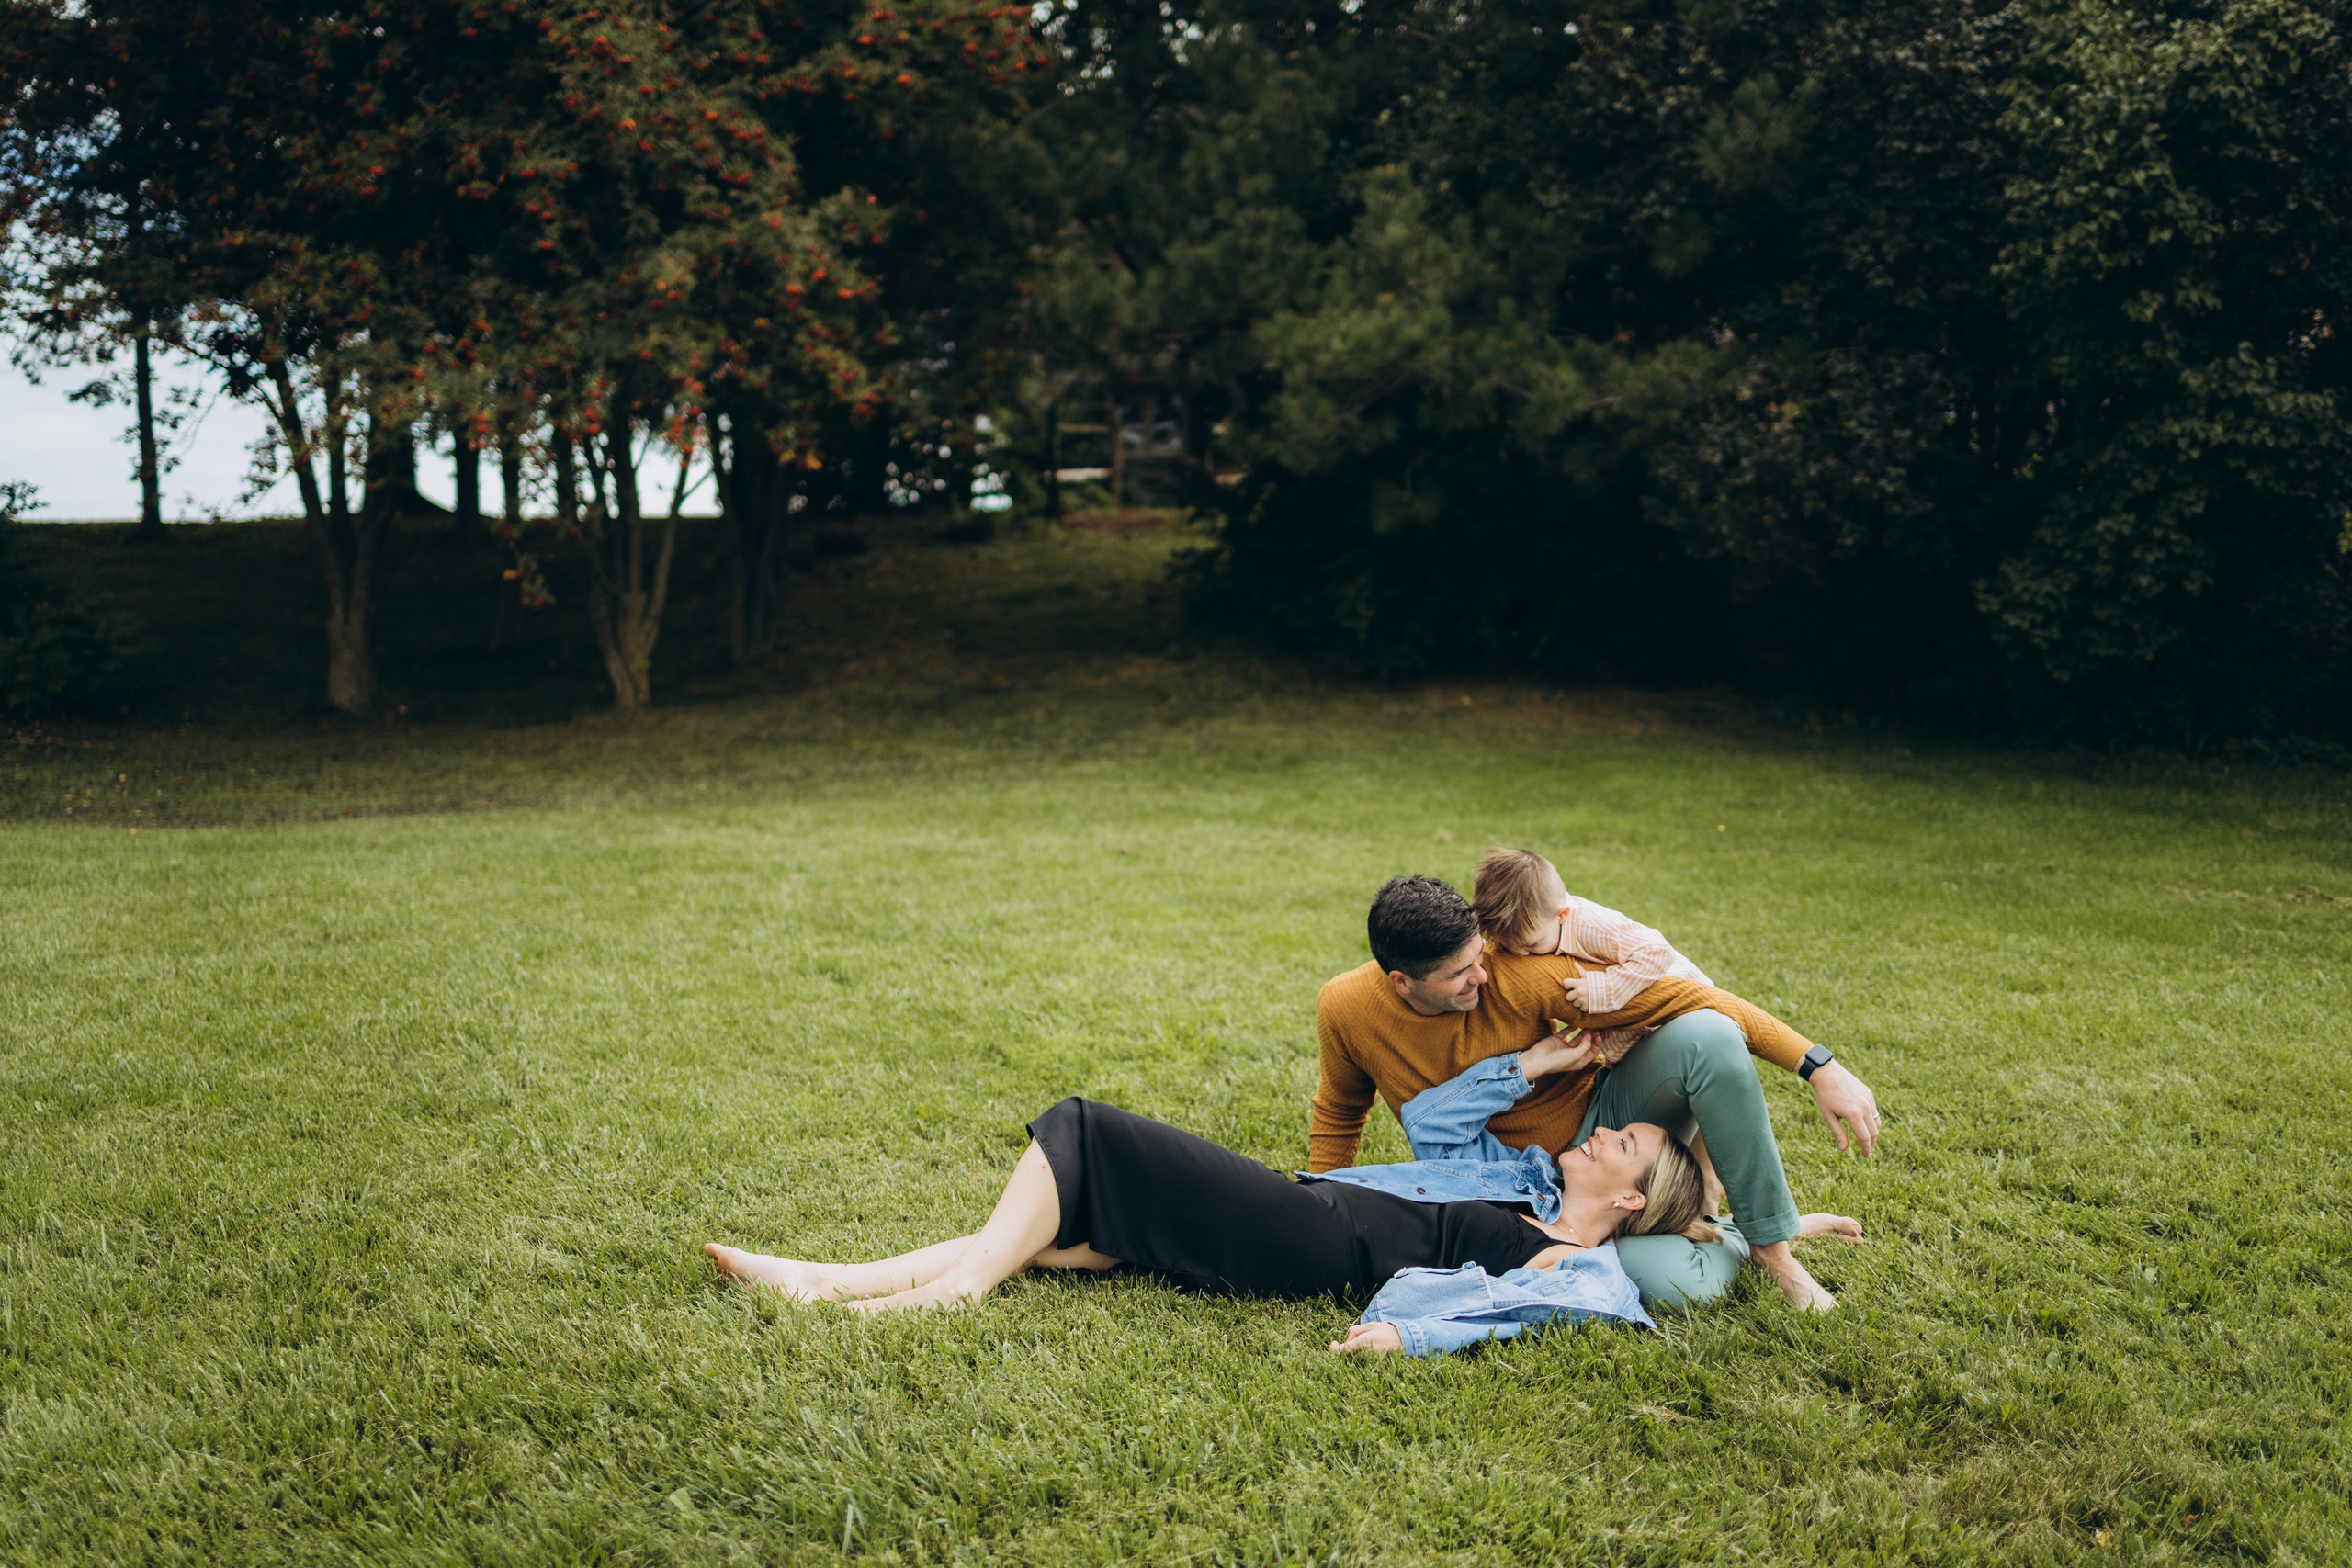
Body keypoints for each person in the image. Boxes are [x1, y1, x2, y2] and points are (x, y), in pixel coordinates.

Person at [704, 1091, 1717, 1355]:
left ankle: (953, 1297)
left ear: (1629, 1201)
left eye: (1616, 1145)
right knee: (1078, 1230)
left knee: (1087, 1132)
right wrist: (1531, 1072)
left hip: (1313, 1238)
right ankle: (827, 1280)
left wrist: (1408, 1333)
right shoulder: (1523, 1182)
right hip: (1305, 1210)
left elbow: (1538, 1314)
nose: (1592, 1138)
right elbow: (1441, 1117)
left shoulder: (1577, 1260)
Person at [1312, 874, 1883, 1311]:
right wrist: (1322, 1204)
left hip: (1608, 1134)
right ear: (1402, 982)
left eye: (1479, 957)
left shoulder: (1517, 972)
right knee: (1674, 1286)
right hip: (1511, 1193)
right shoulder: (1346, 1008)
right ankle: (1729, 1233)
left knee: (1708, 1035)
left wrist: (1820, 1067)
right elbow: (1340, 1110)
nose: (1482, 976)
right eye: (1460, 974)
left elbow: (1685, 999)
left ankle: (1773, 1249)